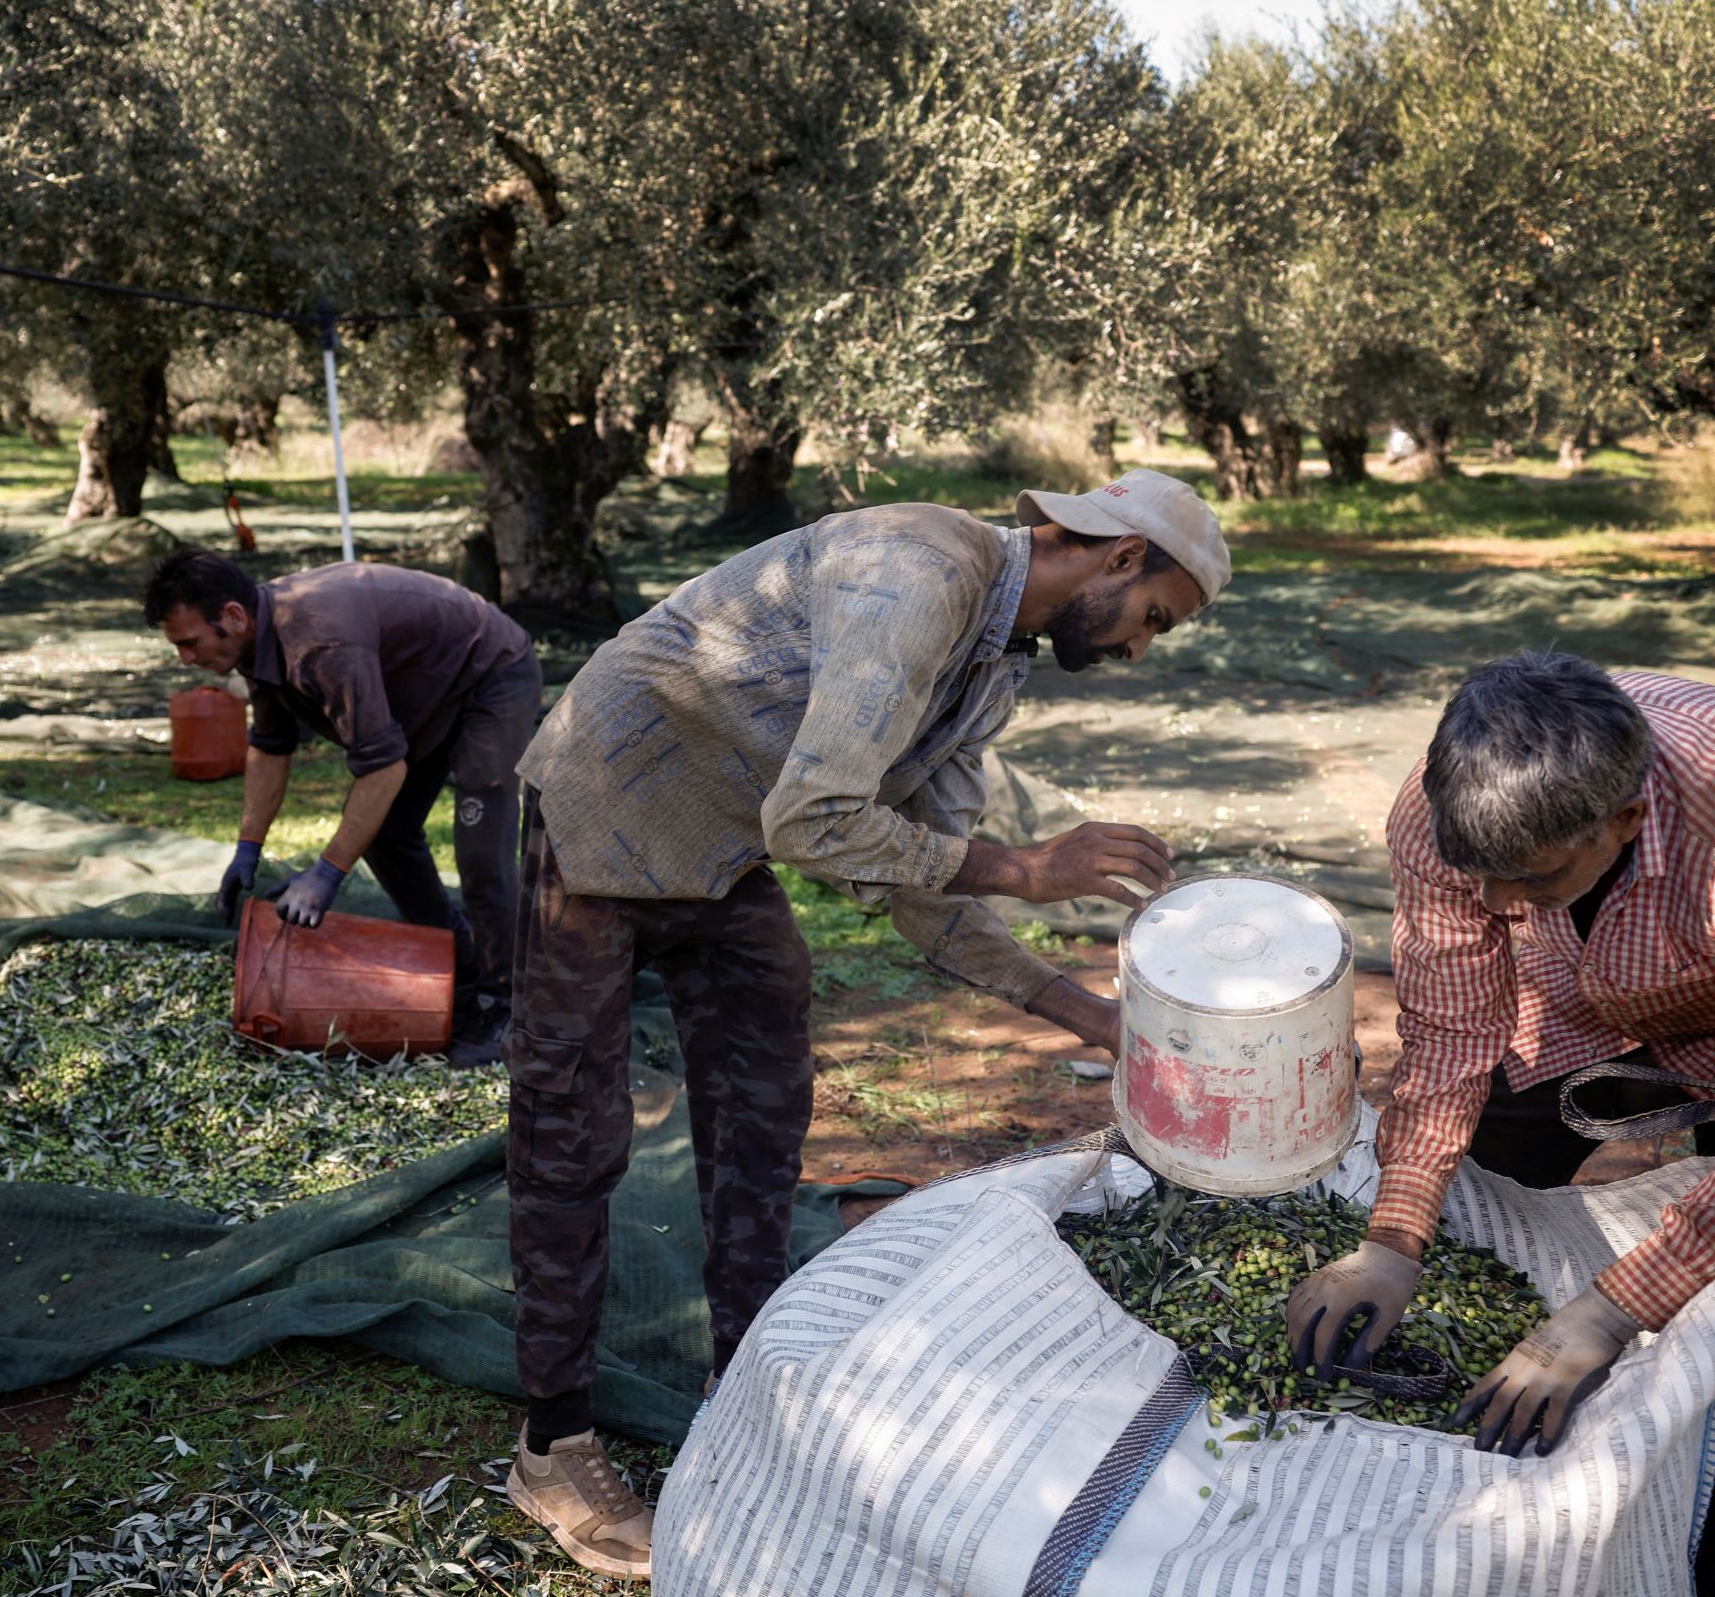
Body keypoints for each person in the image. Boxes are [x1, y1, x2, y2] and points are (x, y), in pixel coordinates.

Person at [498, 469, 1230, 1580]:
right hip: (603, 809)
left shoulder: (990, 667)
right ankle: (552, 1448)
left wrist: (1092, 1016)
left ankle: (744, 1388)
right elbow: (820, 819)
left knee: (764, 1095)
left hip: (725, 847)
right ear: (1120, 556)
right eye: (1154, 621)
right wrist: (1028, 867)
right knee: (573, 1129)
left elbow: (921, 883)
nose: (1138, 650)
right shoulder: (921, 574)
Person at [1286, 653, 1715, 1597]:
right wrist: (1393, 1238)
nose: (1492, 907)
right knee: (1466, 1215)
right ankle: (1461, 1525)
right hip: (1567, 1003)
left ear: (1622, 821)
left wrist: (1609, 1311)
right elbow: (1453, 1040)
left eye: (1527, 878)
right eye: (1475, 875)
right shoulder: (1441, 808)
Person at [143, 548, 541, 1054]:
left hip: (488, 674)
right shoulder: (256, 642)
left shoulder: (319, 644)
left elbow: (383, 766)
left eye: (189, 642)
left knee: (482, 853)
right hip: (423, 689)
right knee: (386, 838)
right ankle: (459, 961)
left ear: (233, 617)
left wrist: (328, 872)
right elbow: (270, 744)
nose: (186, 659)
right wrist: (248, 846)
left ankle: (507, 1008)